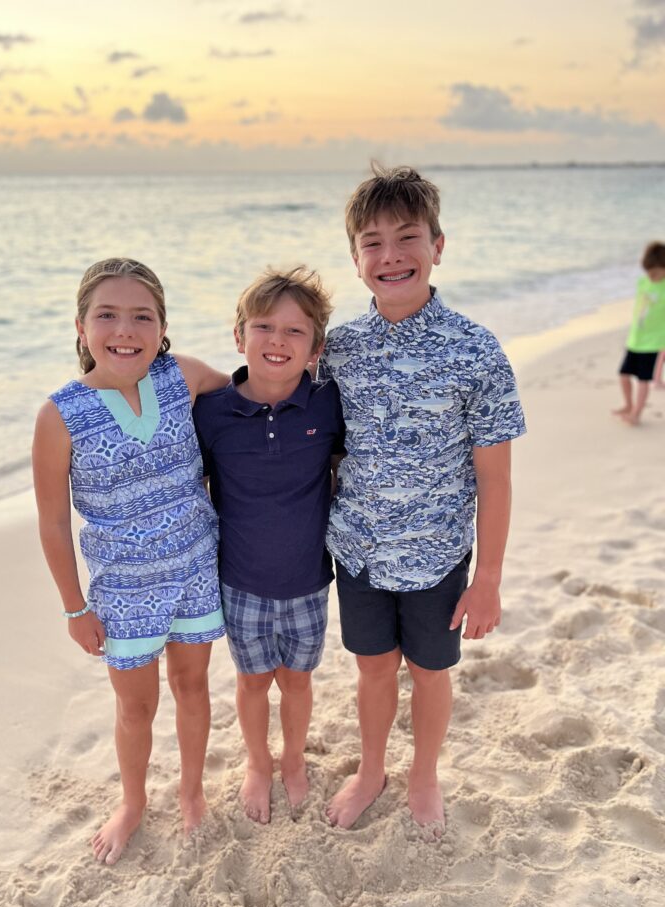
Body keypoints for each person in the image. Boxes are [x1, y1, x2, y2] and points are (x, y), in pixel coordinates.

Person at [319, 164, 526, 834]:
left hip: (437, 556)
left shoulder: (476, 351)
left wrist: (488, 577)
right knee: (373, 671)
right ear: (355, 261)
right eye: (372, 243)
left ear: (438, 246)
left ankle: (425, 776)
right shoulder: (339, 350)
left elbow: (495, 478)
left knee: (430, 674)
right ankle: (373, 768)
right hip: (358, 551)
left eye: (407, 238)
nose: (391, 256)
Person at [32, 257, 228, 865]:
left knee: (192, 686)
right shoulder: (59, 415)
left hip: (196, 569)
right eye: (107, 316)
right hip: (122, 593)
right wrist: (74, 607)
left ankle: (191, 791)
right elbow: (54, 523)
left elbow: (249, 407)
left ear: (163, 328)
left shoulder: (185, 377)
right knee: (136, 706)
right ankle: (135, 802)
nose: (126, 330)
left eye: (142, 316)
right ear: (82, 327)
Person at [193, 267, 345, 824]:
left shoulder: (328, 405)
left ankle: (294, 759)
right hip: (240, 581)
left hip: (308, 580)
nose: (277, 341)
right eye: (263, 327)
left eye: (294, 331)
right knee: (253, 681)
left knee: (298, 681)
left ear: (315, 348)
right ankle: (258, 763)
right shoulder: (211, 412)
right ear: (240, 336)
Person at [613, 241, 665, 422]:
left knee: (643, 380)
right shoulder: (642, 282)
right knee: (623, 374)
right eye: (648, 272)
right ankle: (628, 404)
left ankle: (636, 413)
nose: (651, 276)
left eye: (655, 272)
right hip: (635, 339)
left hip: (654, 343)